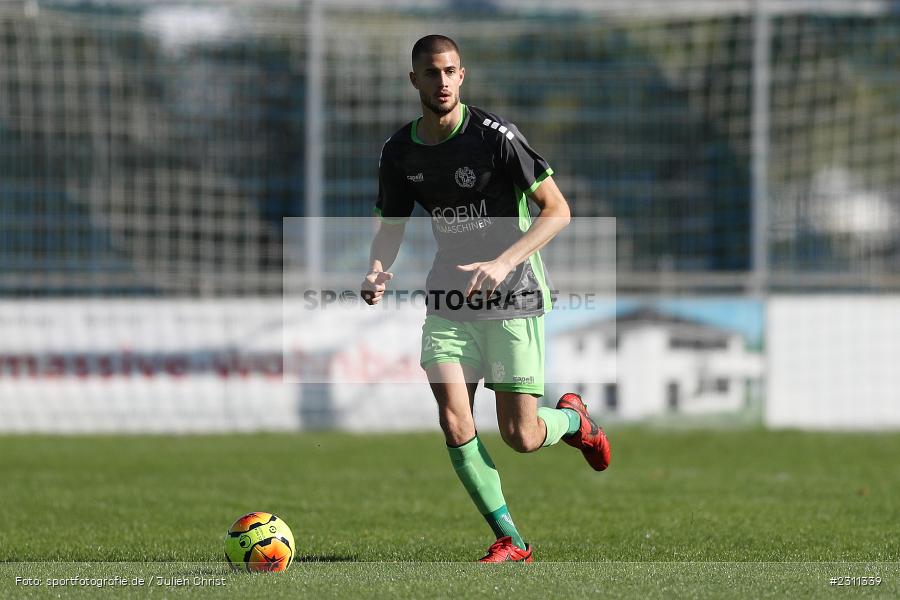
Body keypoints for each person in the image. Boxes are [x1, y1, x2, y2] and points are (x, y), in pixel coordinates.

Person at [361, 34, 610, 563]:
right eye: (432, 73)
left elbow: (557, 210)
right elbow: (390, 226)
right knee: (455, 419)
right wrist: (378, 269)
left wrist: (503, 262)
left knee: (521, 435)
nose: (442, 81)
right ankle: (511, 540)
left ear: (463, 75)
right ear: (415, 81)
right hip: (449, 300)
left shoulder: (496, 137)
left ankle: (573, 421)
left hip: (514, 296)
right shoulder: (399, 152)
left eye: (451, 71)